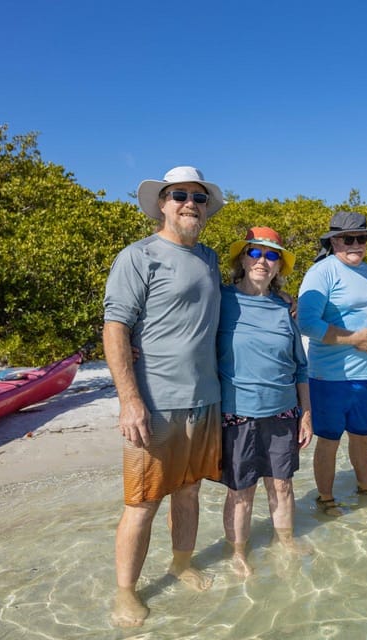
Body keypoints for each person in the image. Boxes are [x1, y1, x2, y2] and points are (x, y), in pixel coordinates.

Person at [103, 165, 225, 627]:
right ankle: (126, 591)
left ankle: (181, 563)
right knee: (142, 503)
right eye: (180, 195)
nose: (190, 203)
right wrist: (129, 401)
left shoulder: (211, 259)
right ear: (162, 203)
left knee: (190, 492)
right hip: (154, 403)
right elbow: (115, 327)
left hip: (205, 398)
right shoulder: (137, 256)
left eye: (198, 197)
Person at [217, 227, 313, 576]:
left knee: (282, 485)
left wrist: (306, 414)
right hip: (237, 414)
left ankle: (284, 541)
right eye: (255, 253)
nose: (262, 261)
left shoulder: (286, 308)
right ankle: (238, 552)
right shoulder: (220, 299)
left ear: (278, 266)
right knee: (241, 491)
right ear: (242, 259)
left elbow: (301, 367)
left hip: (284, 412)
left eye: (272, 255)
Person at [297, 211, 367, 515]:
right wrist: (355, 340)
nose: (356, 244)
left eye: (362, 238)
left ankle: (366, 491)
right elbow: (307, 323)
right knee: (329, 440)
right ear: (334, 241)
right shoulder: (321, 272)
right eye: (348, 239)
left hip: (365, 375)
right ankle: (325, 499)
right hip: (329, 377)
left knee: (363, 436)